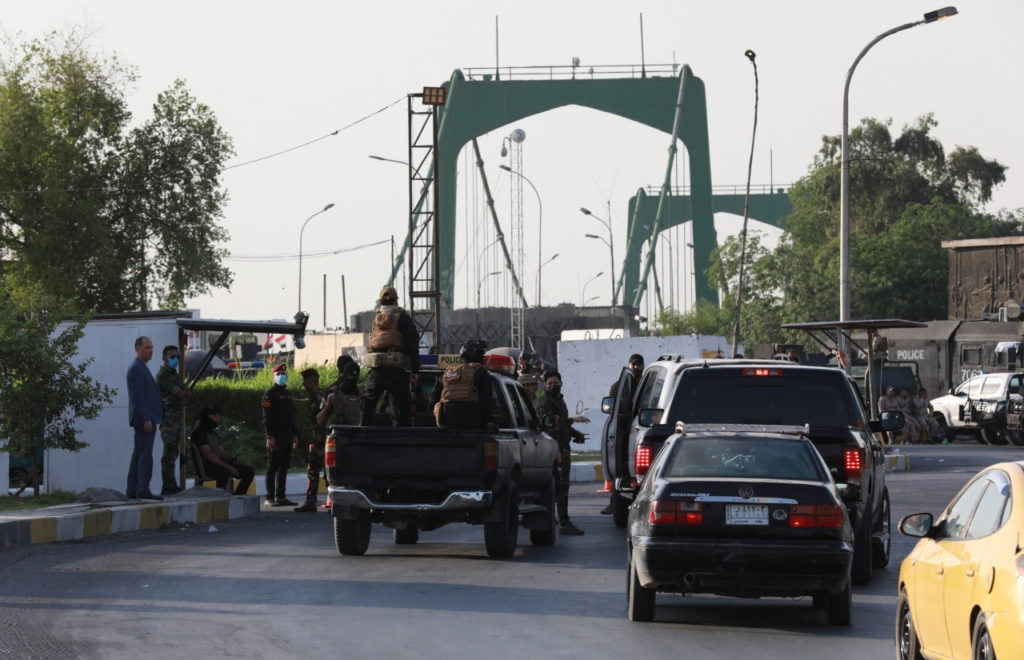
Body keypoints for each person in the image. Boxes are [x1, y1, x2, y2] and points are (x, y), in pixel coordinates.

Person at [535, 370, 586, 536]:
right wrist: (573, 420)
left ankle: (555, 518)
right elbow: (549, 422)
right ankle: (563, 521)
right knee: (560, 486)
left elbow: (561, 424)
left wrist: (574, 433)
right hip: (552, 450)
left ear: (561, 384)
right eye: (549, 384)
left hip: (562, 446)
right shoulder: (544, 402)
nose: (552, 386)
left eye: (555, 383)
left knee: (559, 486)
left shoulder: (559, 400)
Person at [360, 286, 420, 427]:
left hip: (376, 370)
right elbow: (413, 344)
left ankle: (362, 438)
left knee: (367, 407)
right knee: (400, 412)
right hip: (396, 371)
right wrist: (415, 370)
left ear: (380, 302)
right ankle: (400, 443)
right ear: (396, 302)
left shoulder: (376, 320)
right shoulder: (403, 318)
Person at [601, 353, 645, 514]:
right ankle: (615, 502)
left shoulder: (648, 385)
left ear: (643, 366)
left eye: (639, 364)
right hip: (623, 432)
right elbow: (613, 409)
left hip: (642, 429)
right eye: (634, 364)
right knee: (619, 469)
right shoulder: (619, 386)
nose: (636, 367)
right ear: (629, 365)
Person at [125, 336, 164, 501]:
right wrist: (147, 418)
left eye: (152, 347)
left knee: (139, 453)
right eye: (147, 347)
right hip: (144, 420)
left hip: (146, 418)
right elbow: (138, 396)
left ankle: (133, 488)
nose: (151, 351)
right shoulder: (136, 368)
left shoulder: (142, 367)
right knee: (145, 454)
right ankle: (142, 488)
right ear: (138, 349)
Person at [189, 407, 254, 495]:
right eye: (215, 416)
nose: (218, 419)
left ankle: (238, 496)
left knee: (248, 471)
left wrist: (232, 459)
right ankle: (220, 497)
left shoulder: (213, 433)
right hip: (207, 467)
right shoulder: (199, 433)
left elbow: (221, 452)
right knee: (224, 472)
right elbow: (208, 455)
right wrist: (228, 467)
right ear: (207, 417)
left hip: (219, 464)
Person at [431, 340, 494, 429]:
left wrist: (439, 416)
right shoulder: (481, 372)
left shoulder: (449, 373)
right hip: (473, 425)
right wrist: (489, 422)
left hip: (447, 424)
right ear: (479, 356)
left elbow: (434, 397)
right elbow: (485, 400)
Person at [262, 363, 298, 507]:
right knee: (273, 467)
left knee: (284, 467)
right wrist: (269, 436)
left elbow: (291, 417)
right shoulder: (269, 395)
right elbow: (266, 417)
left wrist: (295, 435)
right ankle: (269, 497)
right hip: (276, 436)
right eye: (278, 374)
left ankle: (281, 496)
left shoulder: (288, 395)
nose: (282, 376)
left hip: (288, 436)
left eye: (283, 374)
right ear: (274, 376)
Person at [156, 344, 189, 495]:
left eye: (177, 357)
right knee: (169, 453)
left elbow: (184, 392)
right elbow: (179, 393)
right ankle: (167, 485)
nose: (175, 359)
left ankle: (171, 483)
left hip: (175, 418)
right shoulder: (163, 375)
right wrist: (184, 392)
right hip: (168, 418)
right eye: (172, 357)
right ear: (164, 358)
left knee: (173, 452)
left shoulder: (174, 375)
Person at [295, 368, 328, 512]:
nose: (303, 384)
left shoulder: (318, 397)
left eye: (305, 381)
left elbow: (320, 419)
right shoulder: (318, 395)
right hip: (319, 439)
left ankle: (317, 501)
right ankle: (311, 501)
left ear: (311, 381)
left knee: (320, 471)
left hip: (322, 440)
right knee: (315, 470)